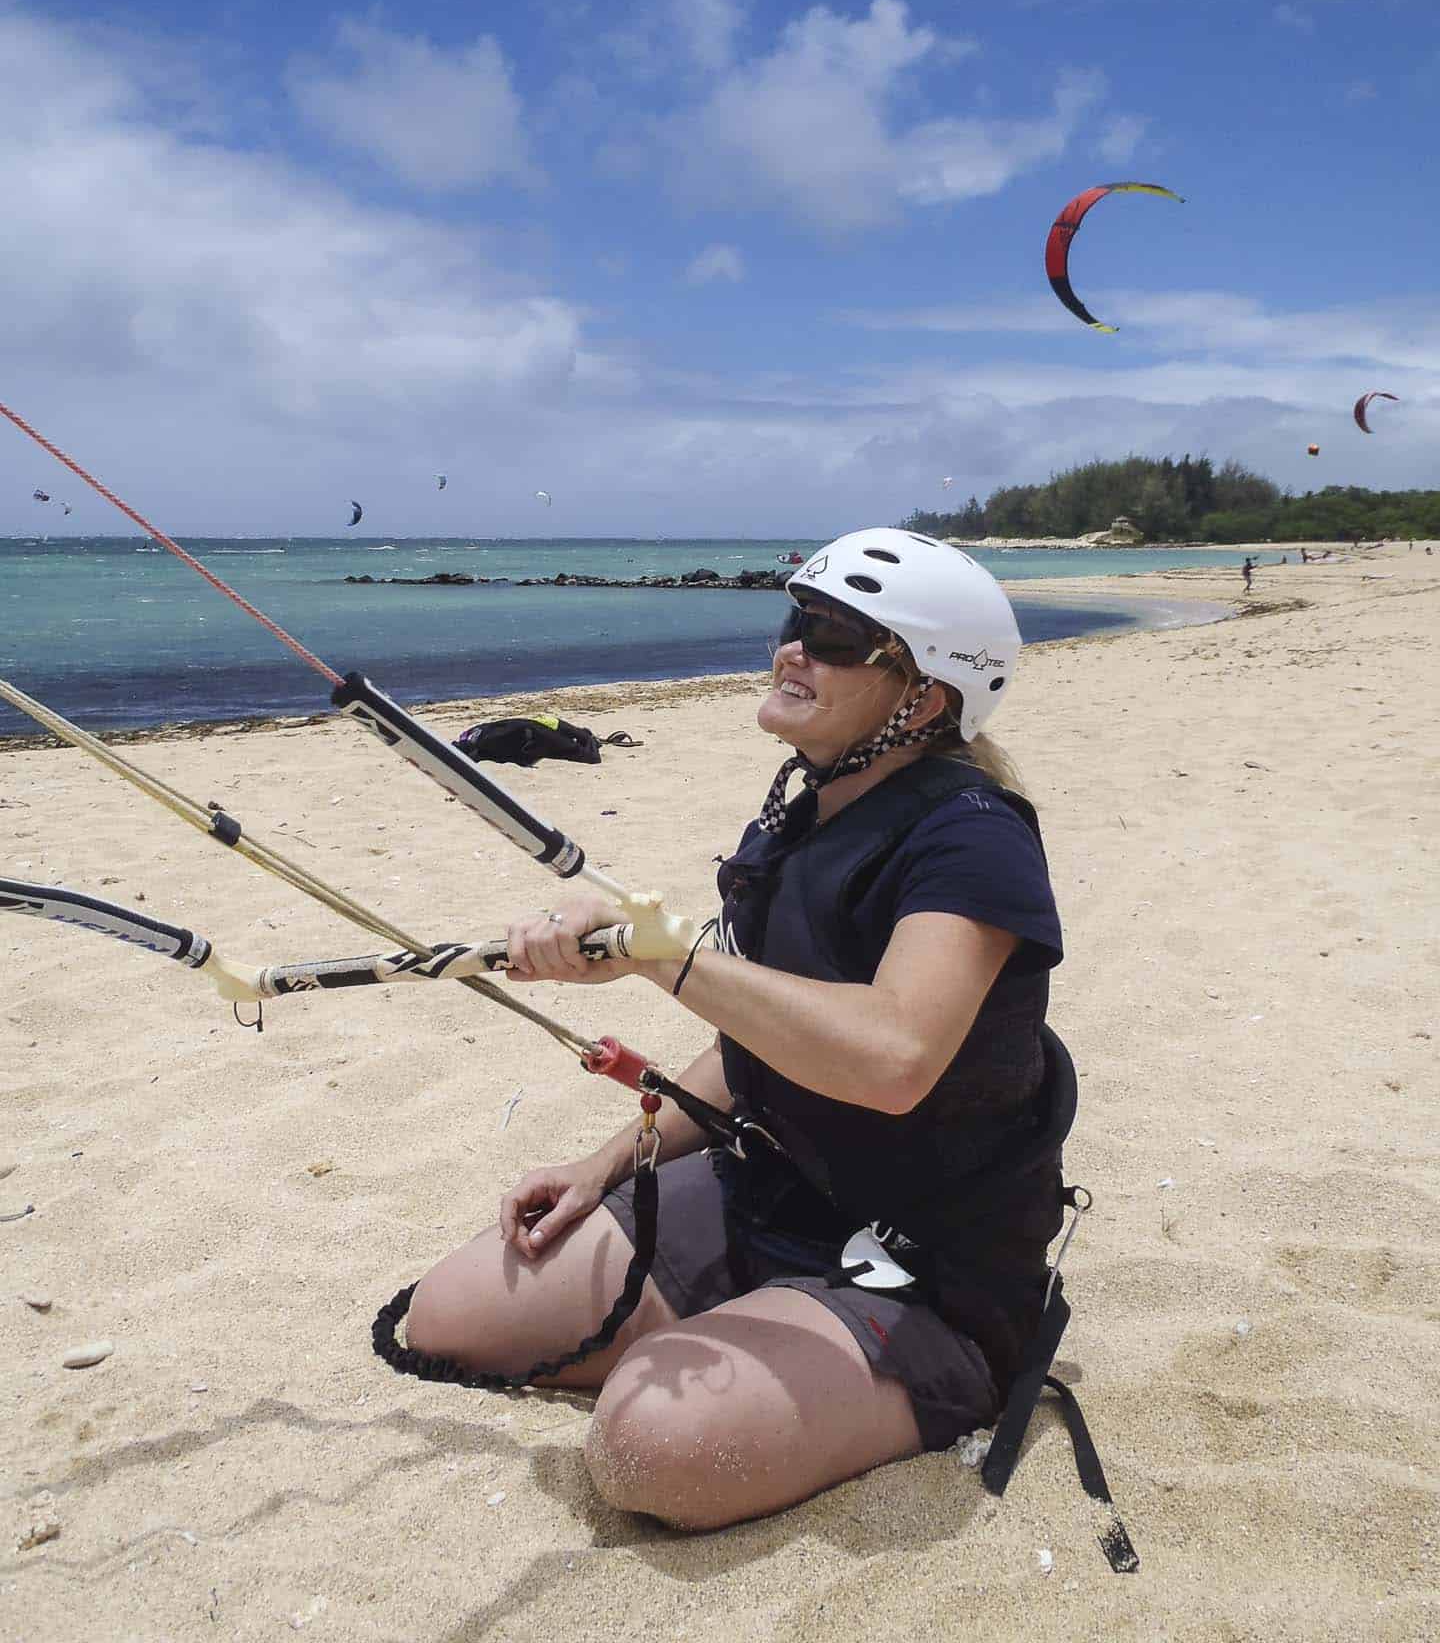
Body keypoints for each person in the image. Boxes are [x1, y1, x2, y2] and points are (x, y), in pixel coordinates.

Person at [404, 529, 1066, 1530]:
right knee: (447, 1319)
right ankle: (768, 1350)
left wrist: (660, 958)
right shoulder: (809, 813)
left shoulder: (973, 839)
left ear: (923, 699)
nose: (794, 648)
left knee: (651, 1451)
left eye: (839, 637)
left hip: (923, 1257)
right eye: (798, 621)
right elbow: (759, 1046)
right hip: (770, 1190)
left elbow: (893, 1056)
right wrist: (604, 1167)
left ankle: (842, 1368)